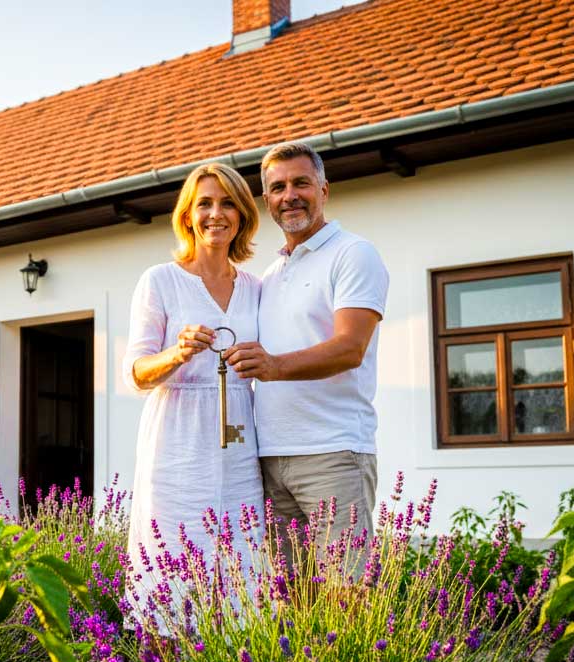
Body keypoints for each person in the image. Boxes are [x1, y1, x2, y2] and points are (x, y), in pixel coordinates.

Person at [224, 142, 389, 573]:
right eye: (278, 187)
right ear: (267, 201)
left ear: (324, 189)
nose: (290, 195)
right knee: (292, 598)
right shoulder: (271, 274)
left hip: (331, 453)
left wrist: (274, 366)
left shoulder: (353, 254)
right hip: (269, 456)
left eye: (301, 183)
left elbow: (350, 347)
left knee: (346, 595)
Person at [121, 162, 263, 624]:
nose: (215, 214)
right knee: (170, 568)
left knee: (241, 568)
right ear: (187, 214)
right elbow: (136, 374)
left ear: (242, 215)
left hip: (239, 440)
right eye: (204, 203)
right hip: (177, 442)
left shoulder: (257, 288)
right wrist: (177, 353)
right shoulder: (159, 280)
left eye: (227, 203)